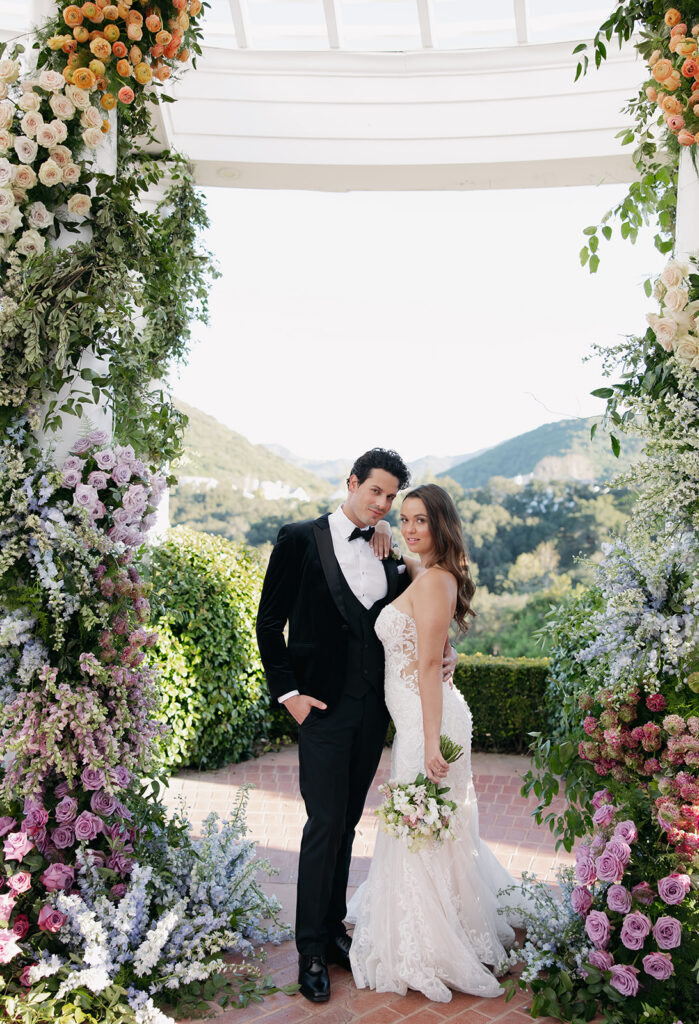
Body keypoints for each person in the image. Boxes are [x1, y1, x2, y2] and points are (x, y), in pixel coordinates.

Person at [256, 450, 457, 1004]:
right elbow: (269, 623)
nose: (383, 504)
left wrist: (448, 651)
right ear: (351, 482)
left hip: (373, 712)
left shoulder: (389, 551)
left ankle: (333, 930)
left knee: (346, 823)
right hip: (319, 709)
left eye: (391, 497)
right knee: (323, 823)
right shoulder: (299, 539)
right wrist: (290, 696)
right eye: (375, 492)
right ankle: (309, 950)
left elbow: (423, 609)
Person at [348, 483, 522, 1003]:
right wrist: (381, 526)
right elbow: (431, 631)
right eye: (404, 519)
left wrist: (428, 742)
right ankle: (442, 926)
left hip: (430, 724)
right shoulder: (429, 573)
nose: (409, 529)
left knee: (423, 827)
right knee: (433, 828)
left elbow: (427, 665)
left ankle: (429, 945)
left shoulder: (435, 580)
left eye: (420, 520)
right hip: (424, 718)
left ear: (441, 524)